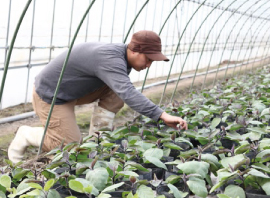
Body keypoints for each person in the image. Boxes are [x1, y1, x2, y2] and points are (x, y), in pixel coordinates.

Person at [8, 30, 188, 163]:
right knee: (70, 146)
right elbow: (128, 92)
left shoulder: (122, 57)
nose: (149, 65)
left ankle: (97, 139)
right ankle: (26, 135)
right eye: (148, 59)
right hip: (52, 95)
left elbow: (123, 89)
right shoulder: (111, 59)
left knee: (118, 90)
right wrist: (162, 115)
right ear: (134, 50)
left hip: (73, 90)